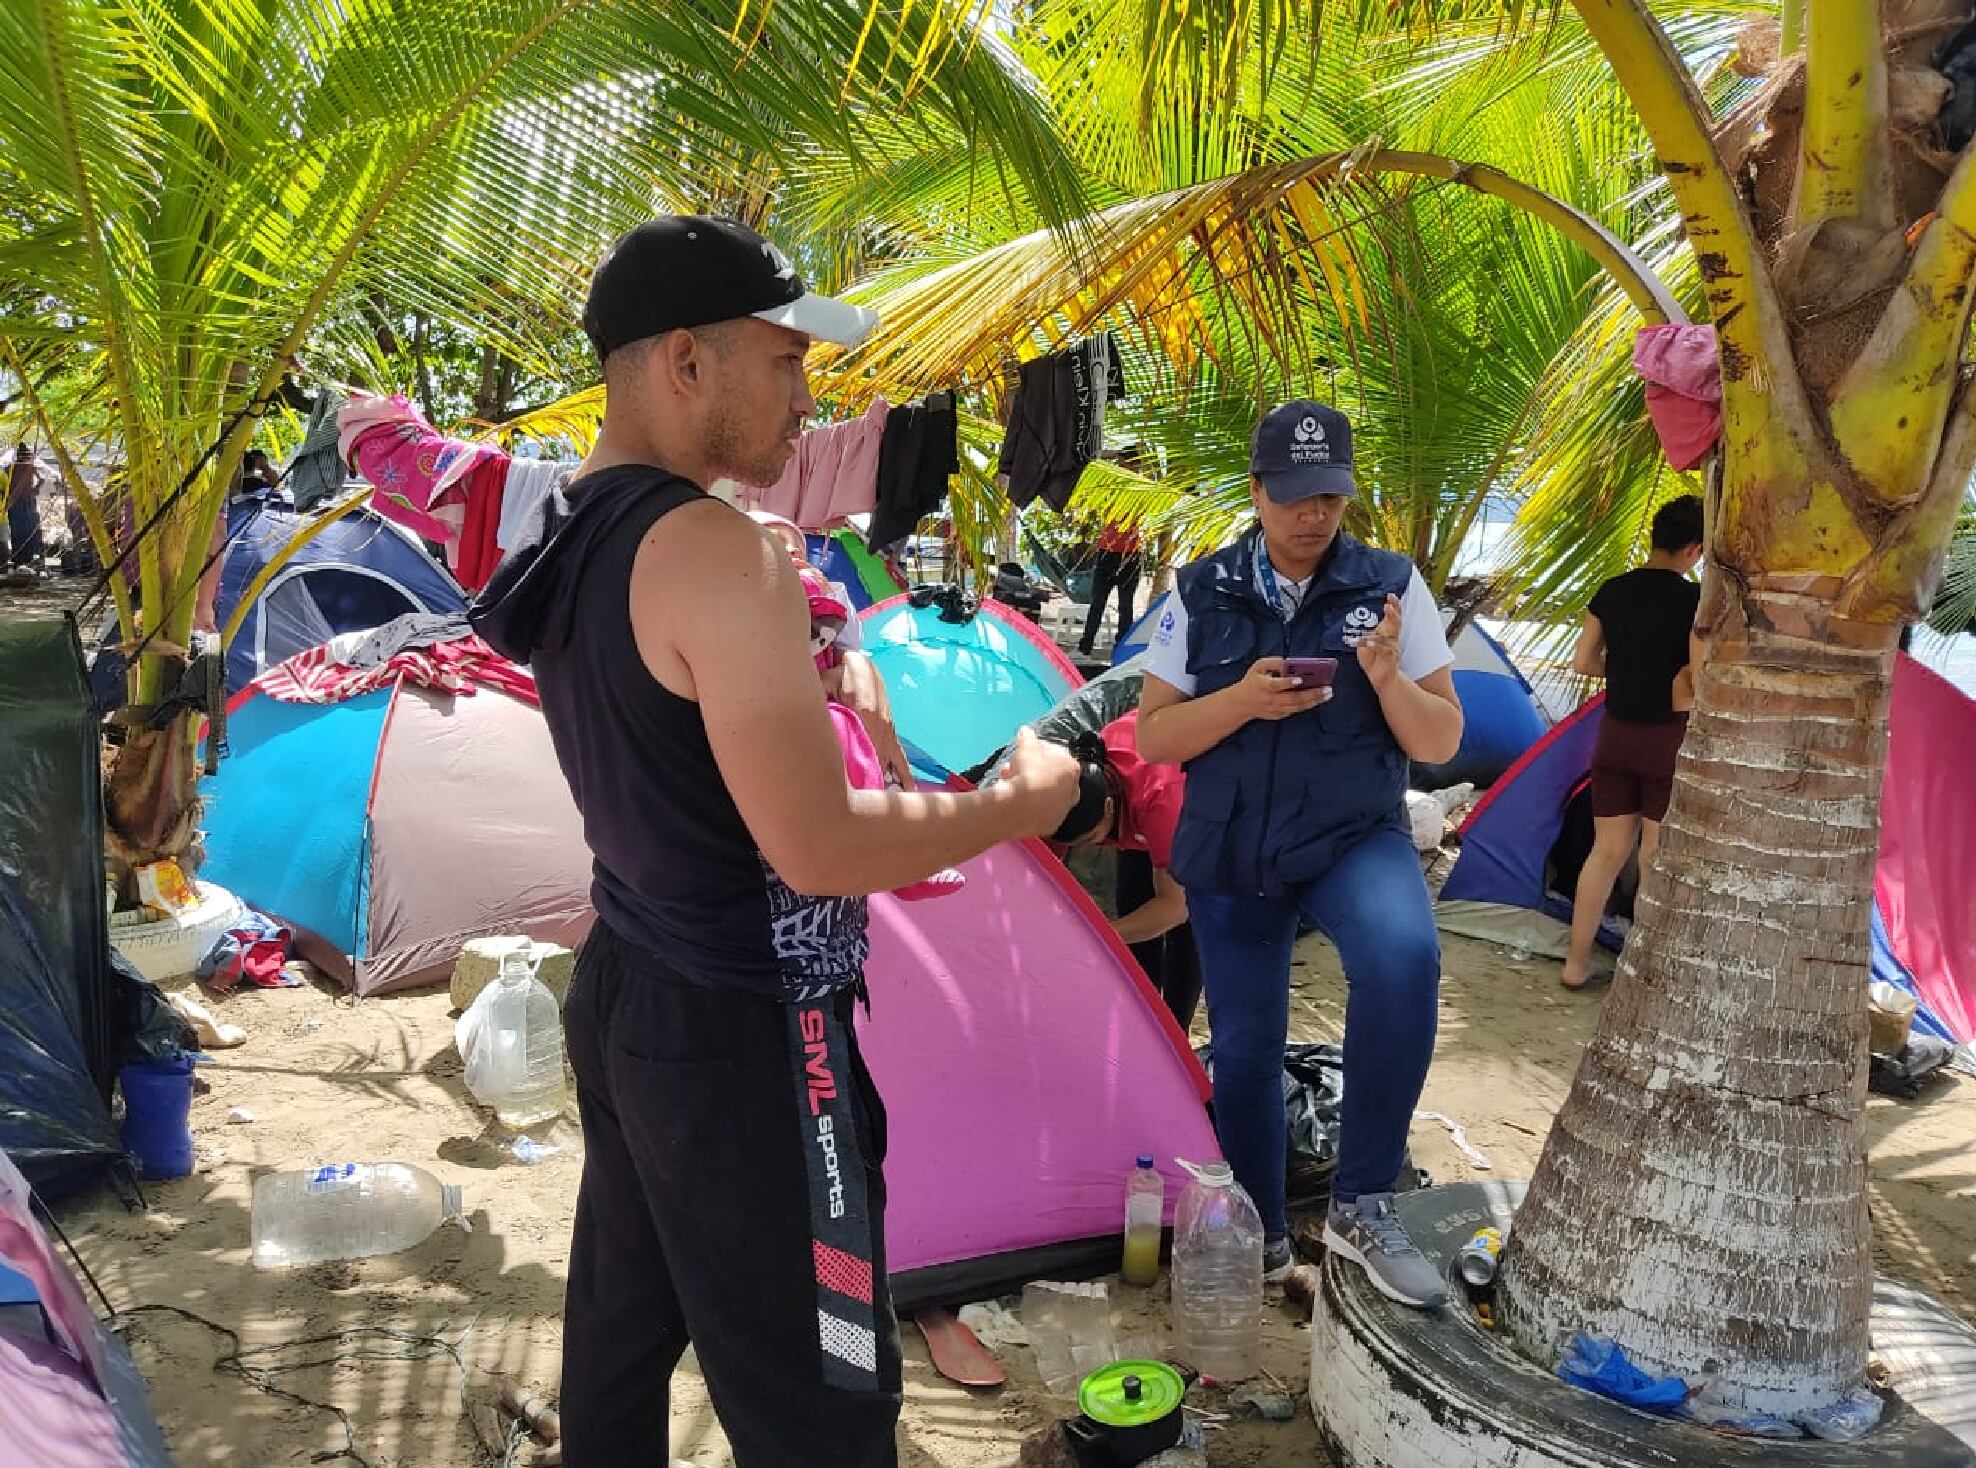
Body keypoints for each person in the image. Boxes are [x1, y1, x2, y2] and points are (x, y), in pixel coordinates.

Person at [469, 215, 1080, 1468]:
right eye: (787, 360)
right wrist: (1020, 803)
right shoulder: (714, 549)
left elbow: (676, 745)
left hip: (633, 982)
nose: (808, 398)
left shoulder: (579, 526)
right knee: (824, 1398)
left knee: (621, 1336)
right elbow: (816, 848)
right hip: (750, 1035)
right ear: (685, 361)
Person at [1135, 400, 1463, 1306]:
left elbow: (1440, 739)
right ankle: (1262, 1237)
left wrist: (1387, 677)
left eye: (1329, 495)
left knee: (1403, 959)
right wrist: (1241, 701)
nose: (1312, 515)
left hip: (1351, 835)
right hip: (1234, 842)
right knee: (1247, 1047)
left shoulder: (1391, 586)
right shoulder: (1201, 589)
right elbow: (1156, 736)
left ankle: (1363, 1206)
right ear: (1256, 492)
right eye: (1292, 496)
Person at [1560, 493, 1705, 990]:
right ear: (1694, 549)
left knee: (1605, 853)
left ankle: (1575, 964)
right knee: (1653, 857)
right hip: (1666, 740)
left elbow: (1583, 661)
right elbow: (1697, 677)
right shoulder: (1694, 601)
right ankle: (1640, 975)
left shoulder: (1613, 590)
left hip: (1615, 736)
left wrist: (1625, 672)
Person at [1048, 712, 1201, 1029]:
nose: (1086, 847)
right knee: (1133, 907)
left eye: (1090, 838)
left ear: (1108, 807)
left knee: (1188, 929)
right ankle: (1140, 1024)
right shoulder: (1074, 780)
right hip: (1136, 803)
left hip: (1190, 805)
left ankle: (1175, 1032)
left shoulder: (1161, 800)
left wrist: (1101, 935)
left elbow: (1175, 907)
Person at [1078, 516, 1143, 657]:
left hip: (1130, 556)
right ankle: (1085, 645)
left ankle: (1122, 648)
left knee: (1125, 605)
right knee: (1097, 603)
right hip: (1106, 554)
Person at [8, 443, 45, 571]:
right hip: (25, 501)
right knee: (27, 530)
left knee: (18, 531)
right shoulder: (29, 467)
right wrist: (34, 490)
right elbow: (42, 479)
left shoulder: (10, 468)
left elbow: (41, 479)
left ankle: (20, 559)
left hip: (17, 502)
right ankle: (26, 558)